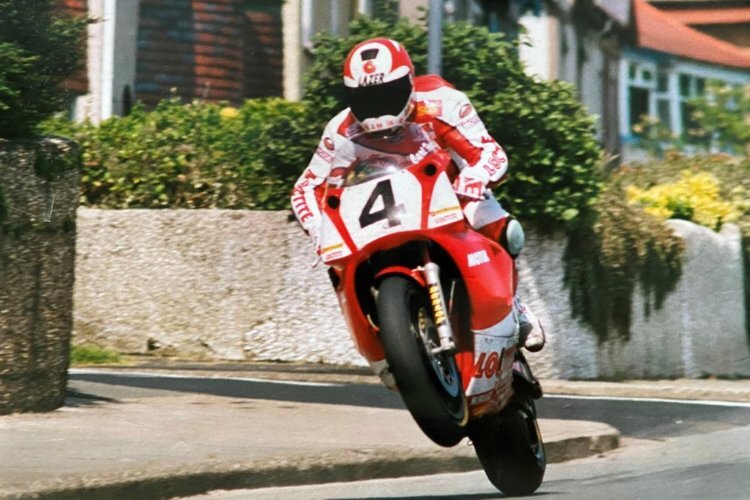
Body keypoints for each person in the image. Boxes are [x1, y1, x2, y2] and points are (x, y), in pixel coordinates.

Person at [290, 37, 545, 352]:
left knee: (506, 230)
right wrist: (318, 229)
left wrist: (476, 175)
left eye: (388, 95)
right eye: (368, 98)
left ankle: (514, 303)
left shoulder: (443, 102)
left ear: (409, 83)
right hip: (382, 210)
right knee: (337, 267)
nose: (379, 109)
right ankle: (381, 345)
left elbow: (488, 151)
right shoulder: (340, 131)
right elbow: (307, 186)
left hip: (447, 192)